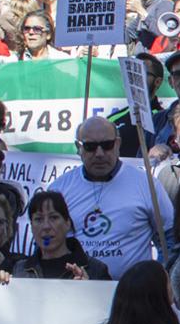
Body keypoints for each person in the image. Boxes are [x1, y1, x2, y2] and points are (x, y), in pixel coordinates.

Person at [48, 117, 172, 278]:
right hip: (78, 292)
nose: (99, 154)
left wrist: (158, 275)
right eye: (90, 147)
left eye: (107, 145)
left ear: (118, 144)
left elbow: (169, 236)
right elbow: (46, 243)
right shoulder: (60, 189)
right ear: (78, 147)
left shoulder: (146, 184)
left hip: (132, 295)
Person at [15, 191, 112, 280]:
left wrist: (88, 290)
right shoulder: (20, 269)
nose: (46, 226)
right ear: (31, 226)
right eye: (39, 219)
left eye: (53, 217)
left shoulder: (95, 270)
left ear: (67, 223)